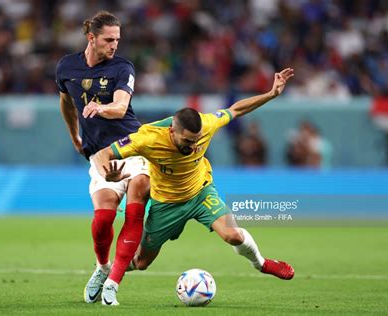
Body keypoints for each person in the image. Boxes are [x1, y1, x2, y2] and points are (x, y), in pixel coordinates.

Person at [93, 68, 295, 305]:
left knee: (233, 235)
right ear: (172, 131)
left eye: (197, 140)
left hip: (201, 193)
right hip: (165, 204)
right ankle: (104, 272)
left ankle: (262, 263)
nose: (193, 145)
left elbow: (237, 109)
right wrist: (108, 173)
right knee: (141, 263)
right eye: (187, 141)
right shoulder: (148, 138)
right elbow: (102, 154)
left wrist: (271, 94)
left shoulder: (207, 124)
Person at [55, 11, 150, 304]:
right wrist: (74, 137)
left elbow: (121, 108)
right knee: (103, 219)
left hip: (131, 146)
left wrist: (101, 107)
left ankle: (113, 281)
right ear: (91, 38)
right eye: (109, 40)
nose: (114, 45)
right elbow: (66, 102)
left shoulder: (123, 67)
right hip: (99, 155)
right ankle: (102, 267)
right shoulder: (66, 68)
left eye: (117, 39)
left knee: (137, 201)